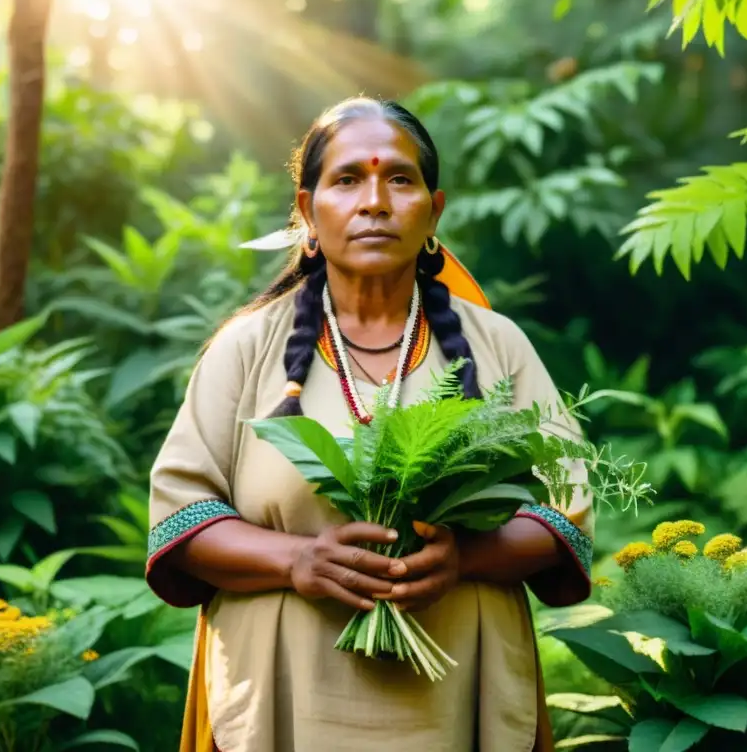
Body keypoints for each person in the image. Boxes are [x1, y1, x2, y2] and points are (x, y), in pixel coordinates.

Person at [145, 97, 594, 752]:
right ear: (307, 210)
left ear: (433, 210)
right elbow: (179, 522)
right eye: (349, 179)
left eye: (401, 180)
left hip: (455, 702)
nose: (376, 201)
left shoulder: (497, 346)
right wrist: (300, 559)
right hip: (287, 703)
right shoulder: (246, 350)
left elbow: (565, 514)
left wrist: (464, 556)